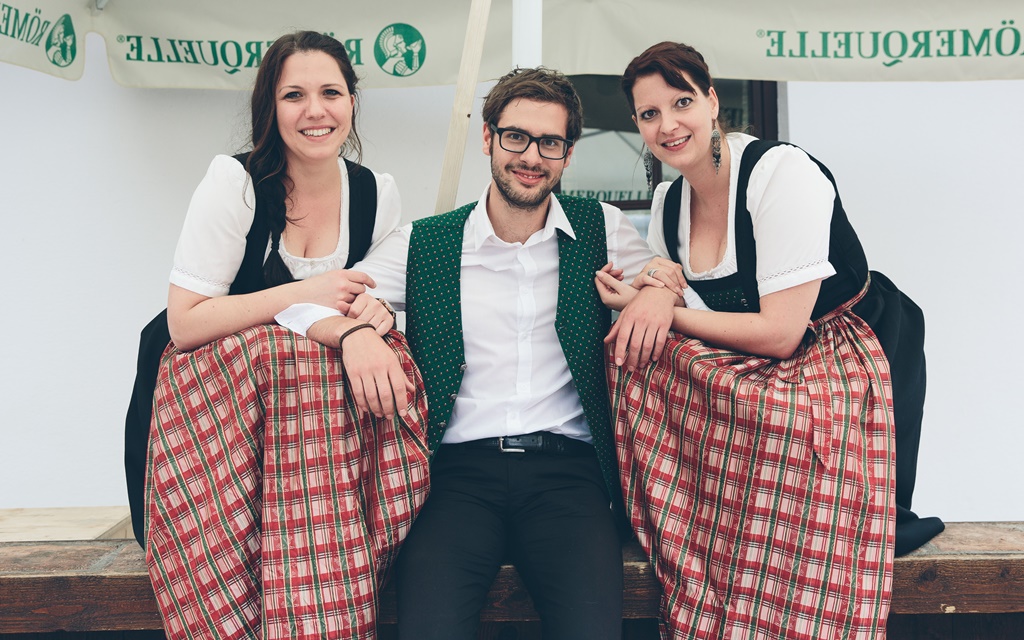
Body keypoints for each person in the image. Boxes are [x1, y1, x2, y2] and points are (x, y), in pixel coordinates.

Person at [279, 67, 654, 639]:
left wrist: (661, 291)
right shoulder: (424, 242)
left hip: (570, 477)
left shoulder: (603, 229)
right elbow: (305, 305)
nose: (531, 157)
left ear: (568, 153)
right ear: (487, 138)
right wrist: (353, 334)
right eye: (516, 137)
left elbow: (672, 288)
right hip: (455, 477)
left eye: (550, 142)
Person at [594, 41, 942, 639]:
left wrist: (664, 311)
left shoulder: (780, 173)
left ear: (712, 100)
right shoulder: (669, 202)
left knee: (796, 469)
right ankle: (686, 520)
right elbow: (674, 289)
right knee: (633, 350)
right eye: (650, 114)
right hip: (754, 360)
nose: (668, 125)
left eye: (682, 102)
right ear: (637, 124)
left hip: (844, 348)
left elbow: (781, 333)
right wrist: (651, 292)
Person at [138, 31, 430, 640]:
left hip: (315, 470)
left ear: (352, 101)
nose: (315, 111)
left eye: (331, 93)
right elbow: (184, 322)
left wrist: (368, 321)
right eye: (294, 95)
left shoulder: (375, 195)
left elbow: (370, 299)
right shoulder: (237, 183)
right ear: (269, 107)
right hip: (213, 441)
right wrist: (305, 294)